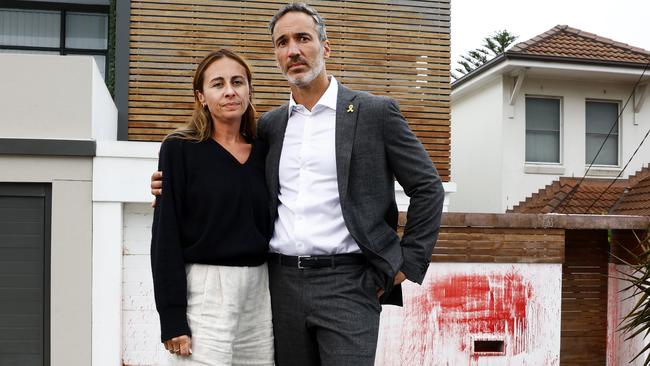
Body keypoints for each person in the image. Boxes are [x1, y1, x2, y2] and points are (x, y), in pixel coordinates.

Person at [152, 3, 444, 365]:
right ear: (276, 55)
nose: (293, 50)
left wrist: (407, 263)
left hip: (349, 283)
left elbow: (429, 188)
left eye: (303, 38)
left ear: (325, 46)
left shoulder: (374, 113)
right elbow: (224, 177)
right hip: (279, 285)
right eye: (282, 42)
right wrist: (169, 190)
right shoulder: (269, 128)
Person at [150, 49, 274, 365]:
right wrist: (173, 317)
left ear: (249, 90)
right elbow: (165, 237)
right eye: (218, 84)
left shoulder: (266, 150)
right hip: (205, 290)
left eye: (238, 82)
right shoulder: (179, 149)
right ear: (201, 96)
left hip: (260, 292)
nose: (230, 91)